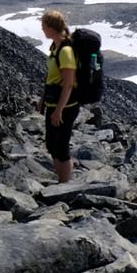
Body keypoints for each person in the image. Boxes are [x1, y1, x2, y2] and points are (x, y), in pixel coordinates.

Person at [39, 10, 81, 183]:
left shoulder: (65, 51)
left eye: (44, 26)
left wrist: (59, 110)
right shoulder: (55, 47)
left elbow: (69, 83)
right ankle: (61, 180)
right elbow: (52, 76)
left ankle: (65, 186)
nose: (42, 30)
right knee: (51, 143)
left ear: (51, 28)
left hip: (66, 107)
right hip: (53, 103)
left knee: (61, 146)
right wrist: (43, 99)